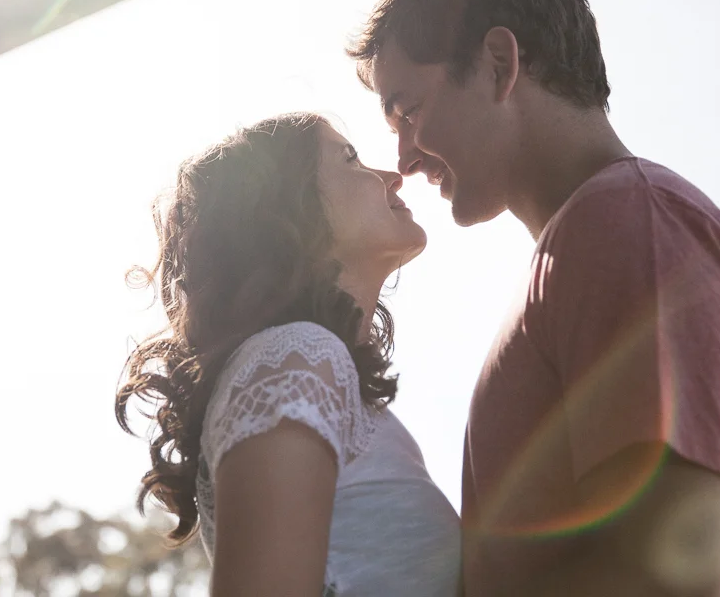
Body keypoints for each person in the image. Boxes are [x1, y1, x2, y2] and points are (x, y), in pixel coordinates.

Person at [348, 0, 720, 597]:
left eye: (408, 110)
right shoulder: (596, 236)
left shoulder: (627, 224)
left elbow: (663, 578)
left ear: (499, 64)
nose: (403, 157)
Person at [115, 112, 461, 597]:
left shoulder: (304, 367)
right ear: (288, 209)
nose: (392, 176)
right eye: (351, 159)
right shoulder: (294, 358)